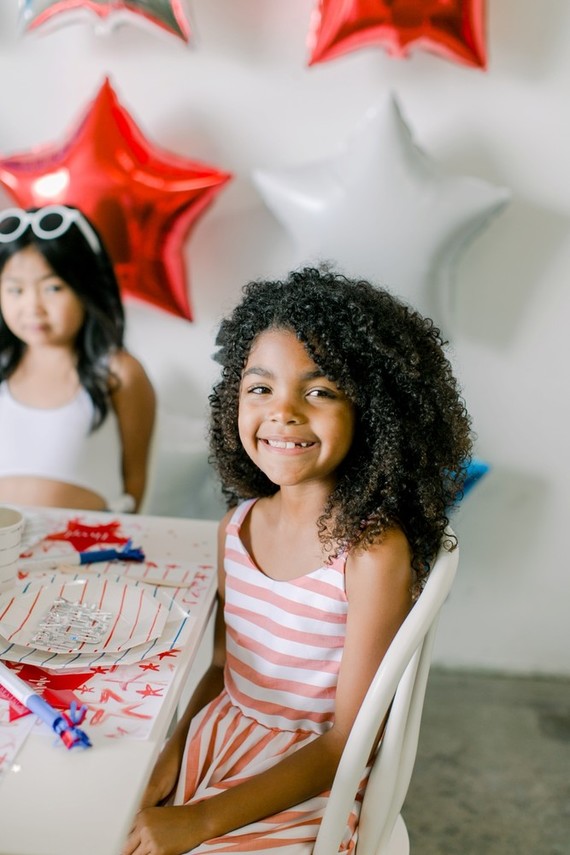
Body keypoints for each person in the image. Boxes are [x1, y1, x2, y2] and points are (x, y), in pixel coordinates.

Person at [123, 266, 472, 854]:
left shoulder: (371, 553)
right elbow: (220, 673)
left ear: (375, 413)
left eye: (320, 391)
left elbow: (347, 743)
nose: (283, 411)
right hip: (215, 743)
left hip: (307, 780)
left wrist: (199, 822)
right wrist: (170, 757)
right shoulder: (236, 527)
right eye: (261, 388)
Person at [0, 204, 156, 512]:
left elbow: (134, 485)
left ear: (87, 288)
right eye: (15, 290)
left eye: (53, 288)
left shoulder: (119, 373)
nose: (33, 306)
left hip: (84, 552)